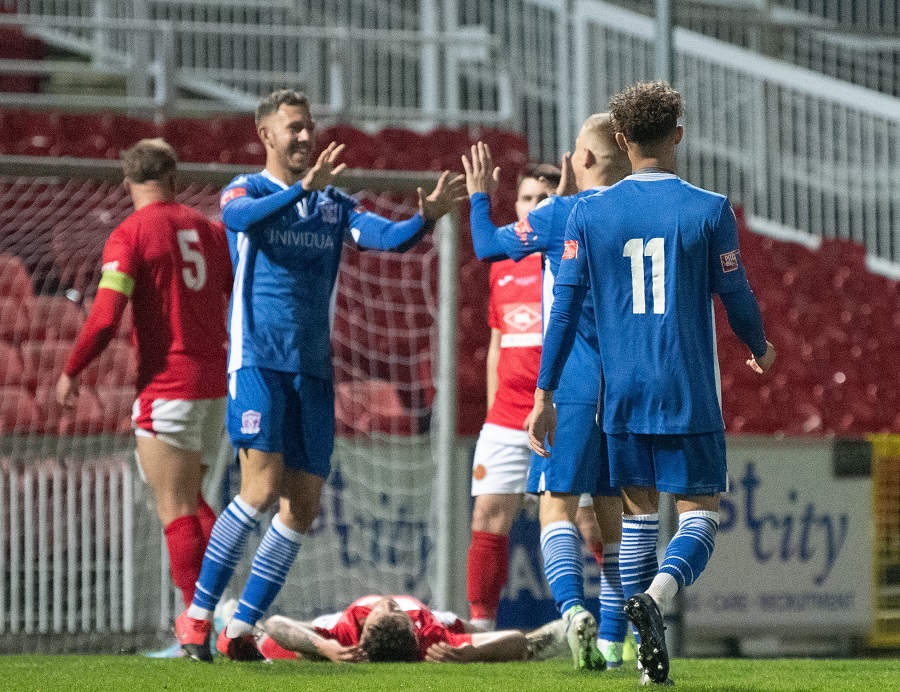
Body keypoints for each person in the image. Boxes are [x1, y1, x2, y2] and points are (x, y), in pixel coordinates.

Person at [174, 88, 466, 663]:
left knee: (302, 505)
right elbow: (236, 218)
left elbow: (384, 238)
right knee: (258, 490)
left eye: (309, 127)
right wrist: (298, 191)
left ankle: (240, 632)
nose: (306, 137)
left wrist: (424, 218)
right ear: (266, 136)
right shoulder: (248, 190)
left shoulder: (334, 203)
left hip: (313, 370)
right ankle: (198, 616)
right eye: (294, 128)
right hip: (258, 360)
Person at [529, 81, 776, 685]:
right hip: (686, 386)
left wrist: (544, 394)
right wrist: (759, 345)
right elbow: (735, 293)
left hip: (623, 392)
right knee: (701, 513)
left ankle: (644, 658)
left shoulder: (588, 212)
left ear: (620, 140)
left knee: (637, 517)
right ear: (679, 135)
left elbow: (562, 310)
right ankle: (658, 598)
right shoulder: (710, 208)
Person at [462, 113, 632, 671]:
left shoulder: (561, 214)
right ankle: (615, 640)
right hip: (631, 384)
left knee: (555, 510)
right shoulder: (645, 214)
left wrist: (480, 197)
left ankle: (571, 610)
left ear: (581, 160)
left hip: (572, 387)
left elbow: (485, 243)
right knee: (618, 518)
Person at [56, 139, 232, 632]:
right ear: (175, 180)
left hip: (167, 384)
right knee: (195, 502)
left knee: (175, 508)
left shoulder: (129, 235)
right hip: (214, 386)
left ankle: (198, 625)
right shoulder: (212, 232)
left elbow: (107, 317)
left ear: (127, 183)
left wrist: (71, 370)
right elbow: (237, 298)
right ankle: (218, 613)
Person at [254, 595, 532, 663]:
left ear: (364, 630)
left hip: (334, 630)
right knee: (462, 628)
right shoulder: (430, 637)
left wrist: (326, 648)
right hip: (439, 617)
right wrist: (471, 654)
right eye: (395, 611)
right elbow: (517, 639)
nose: (387, 602)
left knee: (267, 643)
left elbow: (275, 623)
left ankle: (233, 622)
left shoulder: (347, 631)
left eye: (388, 612)